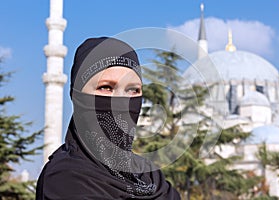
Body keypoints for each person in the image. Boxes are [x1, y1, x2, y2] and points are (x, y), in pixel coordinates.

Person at [36, 36, 181, 200]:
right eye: (106, 87)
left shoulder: (149, 176)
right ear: (77, 96)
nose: (121, 102)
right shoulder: (64, 179)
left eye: (133, 90)